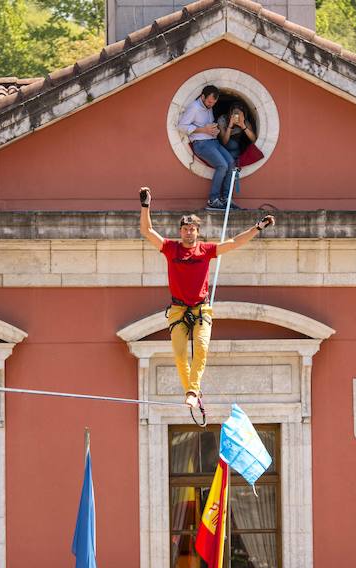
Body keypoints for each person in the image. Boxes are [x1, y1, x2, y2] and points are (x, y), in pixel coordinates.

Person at [139, 186, 275, 409]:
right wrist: (145, 206)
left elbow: (234, 243)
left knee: (201, 349)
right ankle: (190, 391)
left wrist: (257, 228)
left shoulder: (205, 250)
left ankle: (193, 392)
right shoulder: (171, 249)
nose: (188, 232)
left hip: (201, 309)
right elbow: (147, 231)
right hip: (178, 310)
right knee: (180, 355)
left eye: (192, 229)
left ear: (197, 232)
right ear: (180, 231)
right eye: (185, 229)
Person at [177, 85, 241, 211]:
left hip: (213, 142)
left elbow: (208, 126)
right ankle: (213, 200)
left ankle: (225, 199)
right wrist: (204, 130)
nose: (211, 105)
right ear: (202, 97)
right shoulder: (194, 107)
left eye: (214, 102)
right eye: (209, 102)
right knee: (222, 165)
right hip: (201, 144)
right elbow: (181, 126)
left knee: (231, 163)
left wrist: (214, 130)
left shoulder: (209, 107)